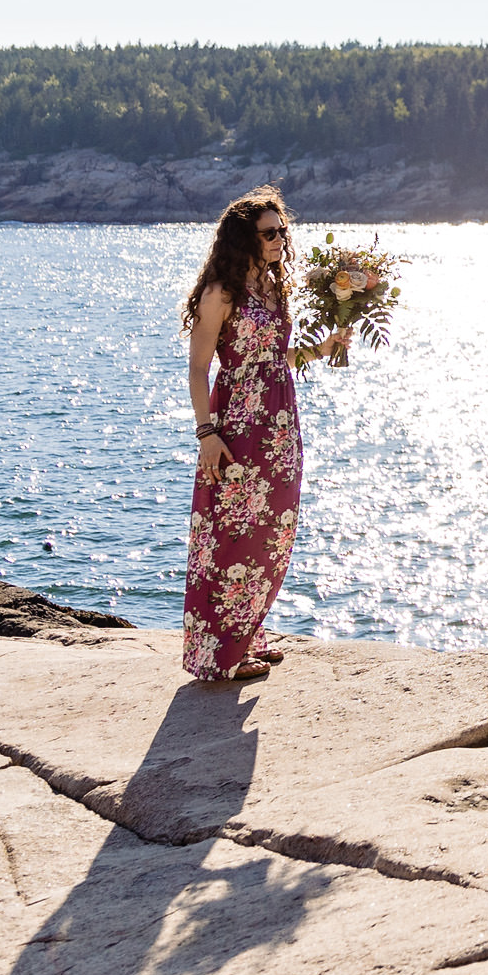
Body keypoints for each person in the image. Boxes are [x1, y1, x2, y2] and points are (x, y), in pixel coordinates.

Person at [182, 186, 346, 681]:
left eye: (283, 231)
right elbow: (197, 368)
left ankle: (247, 632)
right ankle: (219, 655)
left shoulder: (274, 288)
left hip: (279, 423)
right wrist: (206, 434)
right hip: (237, 423)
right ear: (244, 239)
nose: (279, 240)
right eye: (269, 233)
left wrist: (323, 348)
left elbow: (280, 357)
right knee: (231, 532)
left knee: (272, 533)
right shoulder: (220, 293)